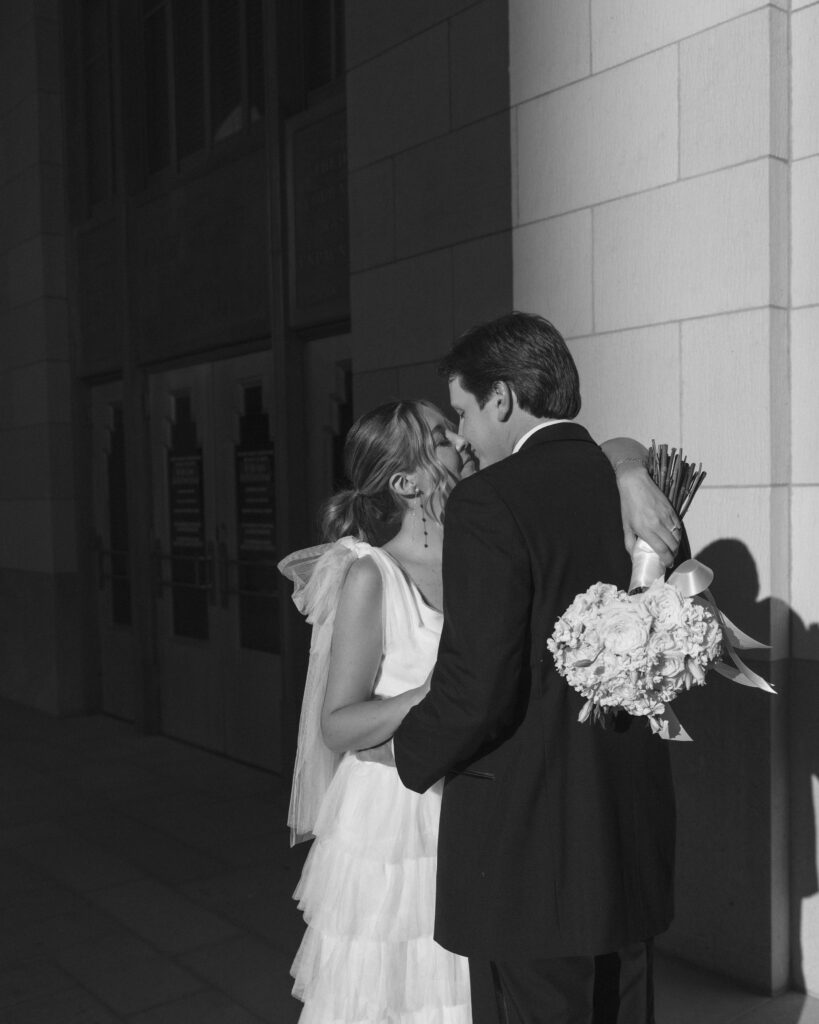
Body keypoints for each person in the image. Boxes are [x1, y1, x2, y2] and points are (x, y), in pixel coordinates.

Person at [279, 392, 679, 1024]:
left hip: (497, 806)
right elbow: (338, 724)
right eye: (442, 437)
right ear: (405, 481)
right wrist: (438, 693)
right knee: (414, 995)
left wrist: (628, 472)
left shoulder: (491, 524)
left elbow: (603, 448)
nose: (461, 441)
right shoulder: (371, 576)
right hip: (405, 821)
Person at [389, 313, 680, 1024]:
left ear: (501, 400)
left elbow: (478, 684)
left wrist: (407, 752)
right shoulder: (641, 488)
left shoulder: (488, 501)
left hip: (528, 838)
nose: (459, 436)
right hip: (625, 817)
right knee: (622, 1004)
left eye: (460, 411)